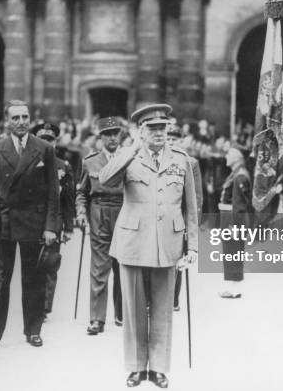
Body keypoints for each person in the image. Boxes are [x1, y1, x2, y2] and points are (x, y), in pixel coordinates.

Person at [99, 104, 198, 388]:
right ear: (140, 131)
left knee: (163, 308)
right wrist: (130, 150)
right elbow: (105, 179)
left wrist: (192, 247)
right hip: (133, 241)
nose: (159, 133)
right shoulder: (128, 157)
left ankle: (159, 368)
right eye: (152, 128)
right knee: (133, 309)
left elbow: (191, 207)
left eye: (163, 128)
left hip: (168, 242)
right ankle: (135, 367)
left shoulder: (181, 159)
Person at [0, 100, 60, 349]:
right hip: (4, 222)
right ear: (6, 121)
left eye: (25, 117)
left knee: (34, 278)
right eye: (15, 118)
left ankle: (33, 329)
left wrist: (51, 227)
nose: (21, 122)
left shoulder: (44, 148)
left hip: (34, 223)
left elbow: (53, 192)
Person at [76, 116, 125, 334]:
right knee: (99, 267)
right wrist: (81, 213)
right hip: (99, 213)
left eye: (116, 133)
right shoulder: (90, 161)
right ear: (101, 137)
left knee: (124, 265)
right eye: (108, 134)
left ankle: (123, 314)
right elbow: (81, 192)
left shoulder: (128, 159)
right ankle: (97, 319)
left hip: (125, 213)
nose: (112, 138)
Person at [31, 122, 75, 318]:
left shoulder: (63, 166)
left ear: (56, 143)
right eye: (42, 139)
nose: (46, 143)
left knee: (50, 263)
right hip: (31, 221)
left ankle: (44, 307)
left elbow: (68, 199)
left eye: (50, 139)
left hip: (54, 221)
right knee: (32, 263)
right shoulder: (28, 163)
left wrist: (68, 227)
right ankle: (32, 303)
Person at [166, 124, 203, 311]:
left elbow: (196, 198)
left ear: (181, 141)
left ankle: (173, 299)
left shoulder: (191, 163)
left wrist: (192, 229)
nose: (171, 142)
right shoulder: (160, 159)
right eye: (168, 139)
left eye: (175, 139)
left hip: (180, 219)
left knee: (177, 260)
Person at [217, 146, 253, 298]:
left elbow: (239, 205)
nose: (226, 157)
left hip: (233, 220)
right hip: (230, 218)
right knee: (231, 254)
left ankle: (234, 289)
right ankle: (233, 287)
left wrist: (235, 227)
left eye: (229, 155)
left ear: (236, 159)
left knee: (232, 253)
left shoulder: (239, 177)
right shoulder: (237, 174)